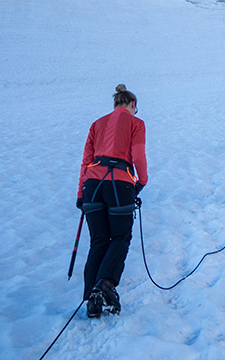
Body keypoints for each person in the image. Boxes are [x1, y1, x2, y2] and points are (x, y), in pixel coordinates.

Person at [76, 84, 148, 318]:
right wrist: (142, 181)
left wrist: (80, 194)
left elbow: (86, 160)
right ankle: (105, 286)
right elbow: (138, 155)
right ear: (133, 104)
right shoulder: (136, 123)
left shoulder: (97, 124)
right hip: (119, 184)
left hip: (92, 185)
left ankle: (92, 298)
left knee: (98, 241)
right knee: (120, 237)